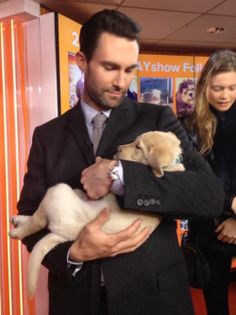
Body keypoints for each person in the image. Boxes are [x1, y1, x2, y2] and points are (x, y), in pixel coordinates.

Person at [17, 9, 224, 315]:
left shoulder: (158, 119)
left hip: (153, 300)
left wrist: (120, 174)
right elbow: (30, 217)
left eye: (130, 70)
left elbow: (209, 195)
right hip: (77, 300)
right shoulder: (47, 136)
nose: (121, 81)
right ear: (81, 61)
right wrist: (73, 253)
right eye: (110, 67)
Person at [183, 49, 236, 315]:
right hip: (209, 231)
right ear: (205, 86)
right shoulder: (192, 126)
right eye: (217, 88)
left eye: (232, 87)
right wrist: (227, 205)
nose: (225, 95)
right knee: (216, 305)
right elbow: (192, 181)